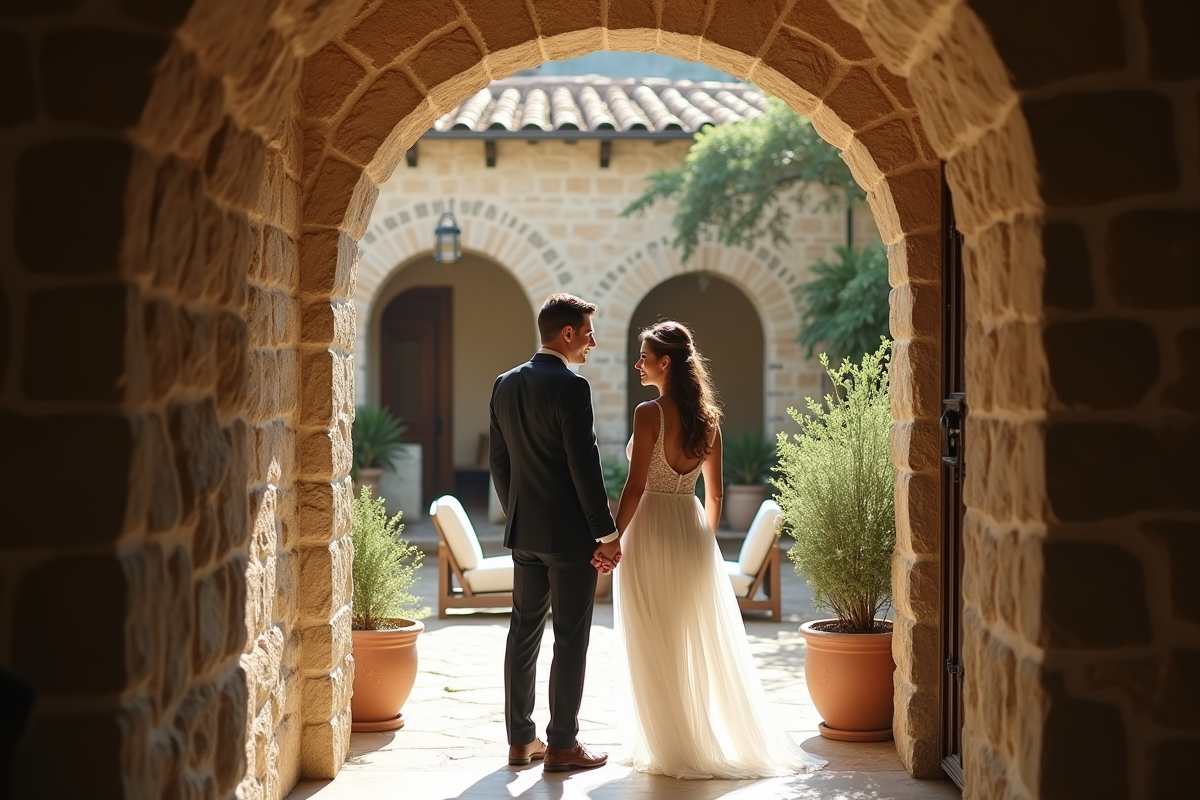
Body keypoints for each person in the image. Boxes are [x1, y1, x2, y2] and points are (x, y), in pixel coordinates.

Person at [600, 320, 826, 779]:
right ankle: (684, 738)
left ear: (665, 362)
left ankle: (666, 745)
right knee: (684, 638)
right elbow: (716, 495)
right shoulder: (709, 420)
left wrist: (612, 538)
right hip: (690, 528)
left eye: (644, 355)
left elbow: (637, 485)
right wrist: (704, 542)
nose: (638, 362)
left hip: (649, 530)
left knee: (650, 637)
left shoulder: (649, 414)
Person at [489, 293, 622, 773]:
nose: (593, 341)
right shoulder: (572, 387)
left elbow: (499, 464)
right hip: (570, 541)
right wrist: (605, 533)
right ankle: (562, 744)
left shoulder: (504, 385)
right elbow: (583, 466)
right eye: (587, 331)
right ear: (567, 333)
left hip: (525, 535)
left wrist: (518, 515)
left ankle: (520, 741)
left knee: (522, 633)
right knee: (570, 637)